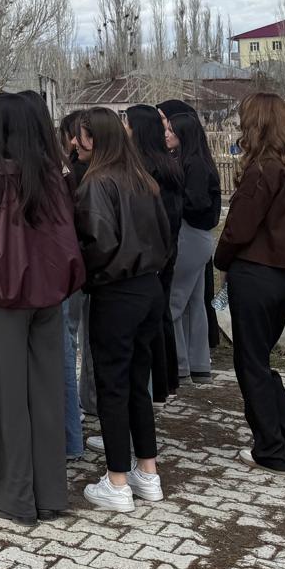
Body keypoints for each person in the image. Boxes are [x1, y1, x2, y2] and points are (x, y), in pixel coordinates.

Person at [0, 92, 85, 525]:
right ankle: (50, 495)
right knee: (47, 395)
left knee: (8, 398)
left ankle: (13, 497)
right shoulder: (55, 175)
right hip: (48, 294)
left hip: (1, 296)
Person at [214, 93, 285, 472]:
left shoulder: (262, 170)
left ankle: (271, 450)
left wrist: (221, 260)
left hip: (254, 276)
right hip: (283, 278)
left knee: (251, 367)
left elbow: (238, 228)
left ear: (256, 124)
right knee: (259, 364)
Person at [73, 107, 170, 512]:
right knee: (136, 383)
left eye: (80, 135)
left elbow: (98, 244)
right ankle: (147, 471)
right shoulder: (143, 180)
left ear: (94, 139)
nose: (75, 143)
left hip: (116, 292)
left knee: (112, 386)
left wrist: (81, 275)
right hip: (149, 288)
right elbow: (165, 235)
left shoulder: (97, 183)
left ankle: (116, 481)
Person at [162, 106, 222, 383]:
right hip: (198, 236)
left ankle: (179, 365)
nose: (166, 134)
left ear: (184, 134)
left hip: (189, 233)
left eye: (171, 130)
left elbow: (195, 201)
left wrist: (172, 202)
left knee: (174, 301)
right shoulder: (195, 160)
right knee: (194, 302)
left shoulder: (193, 164)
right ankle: (197, 364)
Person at [126, 105, 181, 402]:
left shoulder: (149, 169)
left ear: (138, 130)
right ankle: (165, 380)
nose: (124, 129)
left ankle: (158, 384)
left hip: (154, 256)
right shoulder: (164, 163)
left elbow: (159, 218)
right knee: (160, 316)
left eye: (127, 123)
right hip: (164, 252)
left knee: (153, 321)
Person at [59, 110, 90, 458]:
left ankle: (69, 429)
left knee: (67, 340)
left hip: (68, 271)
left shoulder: (72, 172)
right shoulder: (67, 170)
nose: (72, 142)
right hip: (75, 267)